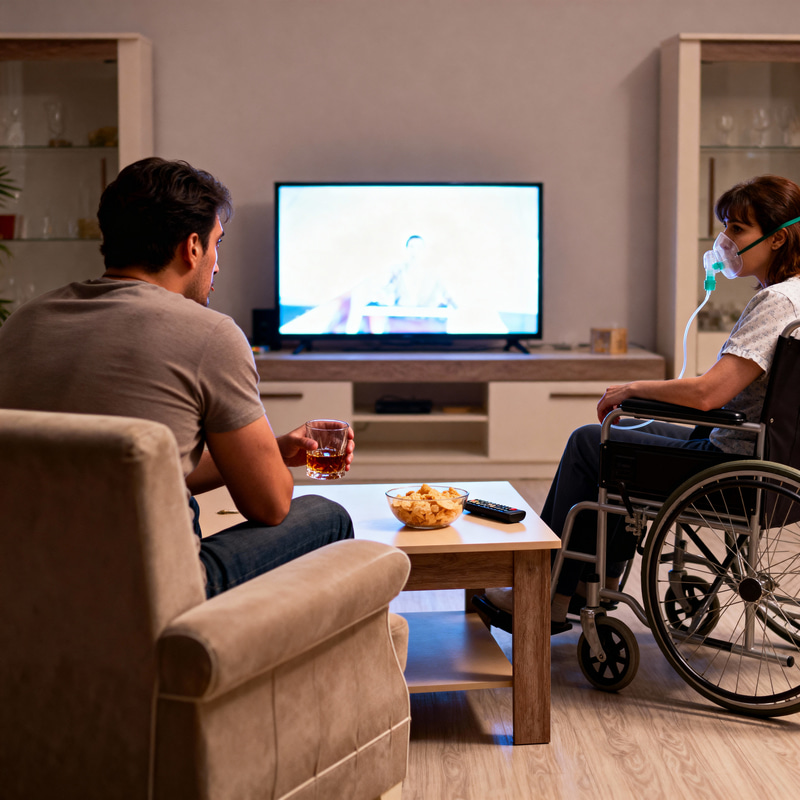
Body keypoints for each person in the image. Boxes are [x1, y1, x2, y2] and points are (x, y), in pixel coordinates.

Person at [0, 157, 355, 597]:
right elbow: (270, 506)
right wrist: (267, 469)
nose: (217, 264)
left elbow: (120, 469)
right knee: (327, 513)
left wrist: (271, 452)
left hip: (31, 584)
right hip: (157, 591)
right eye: (216, 244)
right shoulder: (211, 334)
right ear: (192, 247)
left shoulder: (23, 323)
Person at [473, 174, 800, 634]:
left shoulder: (775, 303)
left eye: (738, 230)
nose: (725, 241)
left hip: (732, 466)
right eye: (725, 227)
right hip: (767, 460)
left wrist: (633, 389)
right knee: (629, 438)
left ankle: (546, 591)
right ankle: (591, 583)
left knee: (593, 441)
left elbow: (709, 393)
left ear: (778, 236)